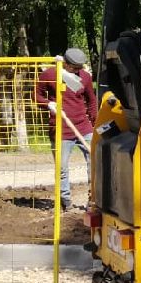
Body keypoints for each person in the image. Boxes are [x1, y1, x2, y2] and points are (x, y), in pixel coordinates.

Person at [34, 47, 98, 211]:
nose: (78, 71)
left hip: (83, 127)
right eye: (74, 68)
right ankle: (66, 202)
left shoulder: (85, 77)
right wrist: (49, 104)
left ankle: (93, 200)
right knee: (62, 168)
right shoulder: (50, 75)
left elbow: (91, 101)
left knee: (95, 163)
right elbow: (36, 96)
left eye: (80, 68)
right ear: (66, 64)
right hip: (61, 128)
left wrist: (95, 123)